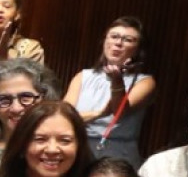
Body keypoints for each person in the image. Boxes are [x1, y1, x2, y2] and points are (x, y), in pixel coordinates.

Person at [64, 16, 154, 163]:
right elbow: (64, 116)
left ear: (138, 49)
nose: (118, 43)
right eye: (114, 36)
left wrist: (117, 81)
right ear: (104, 41)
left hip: (117, 154)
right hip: (78, 149)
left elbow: (119, 111)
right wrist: (99, 113)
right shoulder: (83, 76)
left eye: (128, 40)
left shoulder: (144, 81)